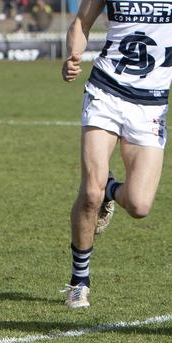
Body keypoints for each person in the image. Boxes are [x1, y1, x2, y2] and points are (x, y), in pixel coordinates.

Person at [61, 0, 171, 308]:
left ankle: (112, 188)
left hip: (151, 105)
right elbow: (82, 22)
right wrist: (74, 54)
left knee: (139, 205)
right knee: (90, 191)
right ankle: (79, 281)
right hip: (105, 92)